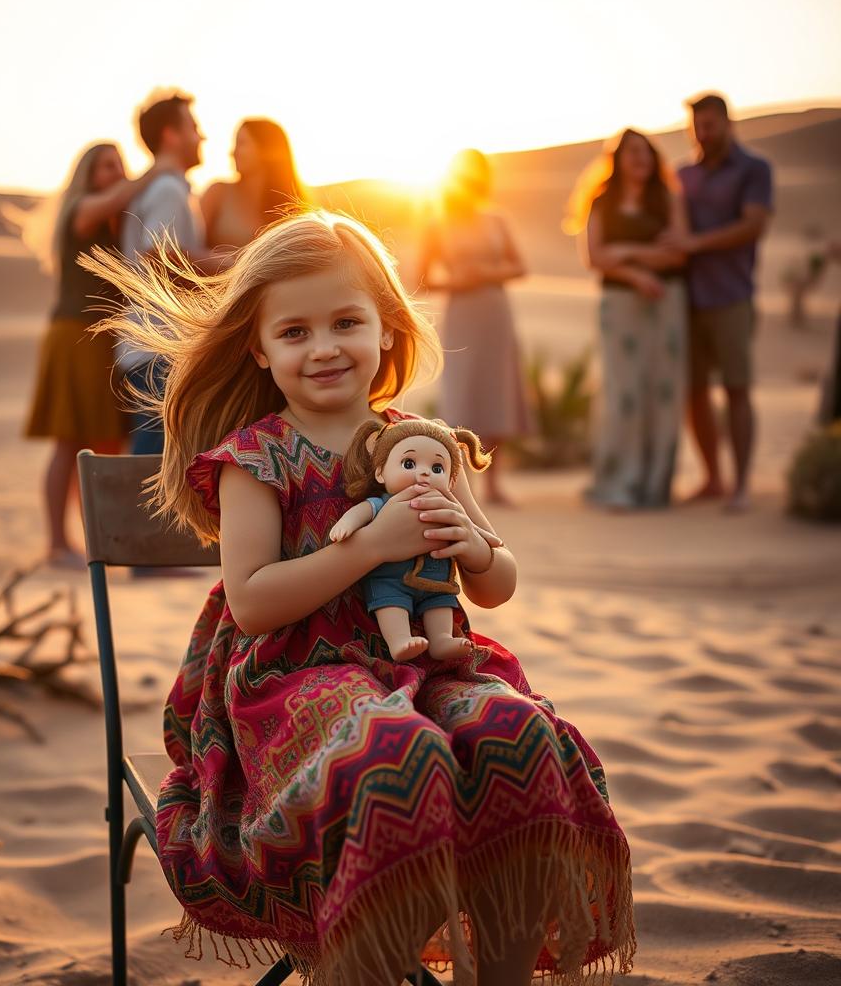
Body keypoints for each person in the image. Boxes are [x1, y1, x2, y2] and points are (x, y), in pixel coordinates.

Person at [89, 211, 635, 986]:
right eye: (295, 332)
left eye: (346, 322)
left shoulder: (421, 442)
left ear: (387, 329)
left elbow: (497, 581)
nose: (324, 348)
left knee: (517, 734)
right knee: (394, 756)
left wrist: (471, 545)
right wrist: (371, 548)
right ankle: (365, 963)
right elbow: (251, 603)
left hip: (425, 665)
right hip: (289, 680)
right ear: (259, 347)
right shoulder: (256, 458)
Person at [18, 141, 167, 567]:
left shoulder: (112, 221)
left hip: (100, 339)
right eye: (106, 166)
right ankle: (56, 544)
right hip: (74, 336)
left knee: (98, 442)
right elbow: (119, 197)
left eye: (119, 166)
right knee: (69, 441)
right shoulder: (82, 210)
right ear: (86, 174)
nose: (115, 173)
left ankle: (91, 541)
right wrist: (156, 172)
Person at [663, 93, 774, 512]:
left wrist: (694, 244)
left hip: (731, 296)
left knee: (737, 389)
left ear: (728, 123)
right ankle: (713, 478)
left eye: (710, 125)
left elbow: (753, 225)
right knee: (694, 391)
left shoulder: (754, 169)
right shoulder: (683, 174)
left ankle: (742, 484)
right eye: (697, 127)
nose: (703, 134)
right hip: (685, 301)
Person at [569, 129, 689, 509]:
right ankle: (620, 482)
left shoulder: (668, 199)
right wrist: (637, 271)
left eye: (646, 152)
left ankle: (656, 486)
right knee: (624, 393)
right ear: (617, 159)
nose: (640, 159)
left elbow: (677, 254)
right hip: (620, 305)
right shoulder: (602, 202)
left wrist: (623, 252)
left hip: (666, 303)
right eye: (632, 152)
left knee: (664, 391)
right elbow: (595, 257)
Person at [417, 149, 533, 505]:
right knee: (463, 391)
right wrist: (458, 283)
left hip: (495, 311)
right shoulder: (438, 222)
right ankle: (458, 481)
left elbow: (520, 267)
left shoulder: (496, 219)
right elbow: (421, 277)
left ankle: (494, 482)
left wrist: (487, 274)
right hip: (462, 312)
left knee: (496, 391)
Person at [118, 90, 213, 455]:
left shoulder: (165, 189)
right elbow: (159, 255)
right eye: (194, 127)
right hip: (158, 345)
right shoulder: (168, 189)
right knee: (153, 463)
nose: (201, 136)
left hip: (151, 344)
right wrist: (234, 261)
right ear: (171, 136)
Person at [201, 118, 308, 251]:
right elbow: (189, 249)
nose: (232, 152)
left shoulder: (291, 207)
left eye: (241, 144)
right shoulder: (218, 191)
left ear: (265, 149)